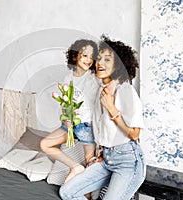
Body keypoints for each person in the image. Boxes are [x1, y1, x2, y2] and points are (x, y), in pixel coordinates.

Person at [59, 35, 146, 200]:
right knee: (67, 192)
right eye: (98, 58)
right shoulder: (100, 90)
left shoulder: (125, 90)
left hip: (128, 161)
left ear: (119, 65)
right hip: (106, 159)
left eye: (107, 60)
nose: (100, 63)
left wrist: (111, 108)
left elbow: (134, 134)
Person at [40, 39, 100, 184]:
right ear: (75, 55)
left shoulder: (94, 78)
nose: (89, 60)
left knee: (90, 164)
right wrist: (65, 119)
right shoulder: (68, 78)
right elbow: (65, 104)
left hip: (86, 126)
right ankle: (75, 167)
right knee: (45, 144)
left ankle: (85, 195)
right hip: (70, 126)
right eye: (85, 55)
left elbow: (99, 105)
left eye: (92, 57)